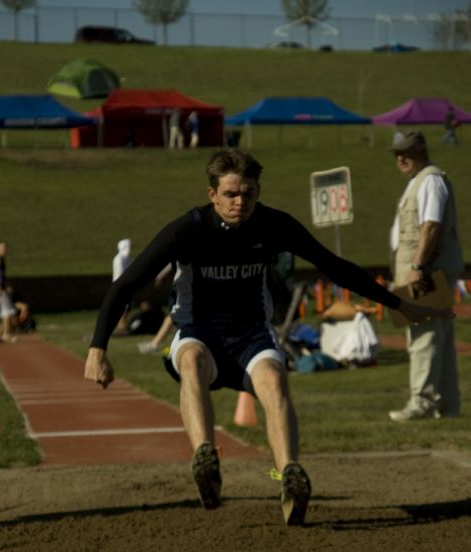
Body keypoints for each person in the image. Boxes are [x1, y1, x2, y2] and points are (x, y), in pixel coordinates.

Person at [84, 149, 452, 526]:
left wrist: (400, 304)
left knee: (275, 381)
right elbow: (126, 285)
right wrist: (98, 349)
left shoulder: (274, 225)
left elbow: (335, 267)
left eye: (249, 193)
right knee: (192, 359)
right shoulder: (188, 230)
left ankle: (290, 476)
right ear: (212, 195)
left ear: (258, 191)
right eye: (230, 194)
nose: (240, 202)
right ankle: (206, 460)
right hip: (199, 332)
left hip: (252, 334)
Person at [387, 130, 464, 421]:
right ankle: (447, 404)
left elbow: (431, 226)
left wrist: (417, 266)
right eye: (397, 153)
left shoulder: (429, 180)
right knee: (439, 337)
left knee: (423, 335)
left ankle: (422, 401)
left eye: (407, 151)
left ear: (422, 150)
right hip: (429, 268)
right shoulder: (422, 180)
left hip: (426, 270)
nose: (401, 157)